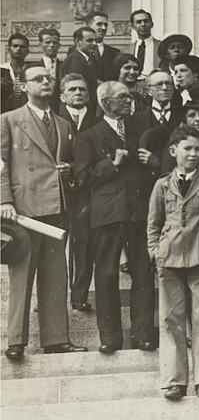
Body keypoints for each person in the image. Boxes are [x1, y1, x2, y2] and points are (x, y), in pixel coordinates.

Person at [1, 64, 87, 359]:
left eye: (48, 78)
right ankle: (16, 341)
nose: (46, 82)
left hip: (56, 207)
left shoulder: (63, 124)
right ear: (24, 86)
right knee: (22, 276)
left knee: (56, 275)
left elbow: (73, 161)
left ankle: (56, 339)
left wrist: (69, 169)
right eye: (38, 79)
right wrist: (4, 201)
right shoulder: (8, 120)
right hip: (24, 209)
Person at [73, 81, 158, 353]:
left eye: (129, 96)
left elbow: (153, 171)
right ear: (105, 103)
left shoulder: (141, 132)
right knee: (107, 275)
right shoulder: (88, 136)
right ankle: (110, 338)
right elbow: (80, 178)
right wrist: (111, 164)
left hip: (139, 212)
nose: (128, 100)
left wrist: (153, 162)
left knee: (143, 274)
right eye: (122, 97)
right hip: (108, 214)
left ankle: (143, 334)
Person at [147, 125, 199, 400]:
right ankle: (174, 381)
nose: (194, 154)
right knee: (170, 320)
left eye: (198, 149)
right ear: (173, 151)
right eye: (188, 148)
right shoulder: (162, 185)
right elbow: (154, 223)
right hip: (169, 258)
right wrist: (155, 251)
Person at [57, 74, 100, 313]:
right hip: (57, 191)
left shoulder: (97, 122)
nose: (78, 93)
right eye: (72, 89)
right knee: (54, 246)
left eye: (82, 89)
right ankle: (51, 295)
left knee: (84, 244)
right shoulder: (54, 120)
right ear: (62, 96)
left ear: (89, 96)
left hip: (87, 191)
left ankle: (79, 295)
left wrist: (74, 169)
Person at [62, 26, 103, 110]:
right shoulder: (74, 59)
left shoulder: (90, 59)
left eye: (95, 40)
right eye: (89, 40)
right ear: (77, 41)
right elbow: (74, 87)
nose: (94, 43)